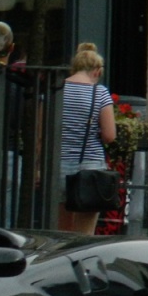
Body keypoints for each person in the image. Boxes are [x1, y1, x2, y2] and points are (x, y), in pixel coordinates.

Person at [59, 42, 116, 234]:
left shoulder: (57, 89)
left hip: (59, 164)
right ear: (97, 70)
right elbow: (109, 135)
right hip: (90, 167)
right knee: (85, 232)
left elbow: (43, 133)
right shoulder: (99, 93)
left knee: (61, 230)